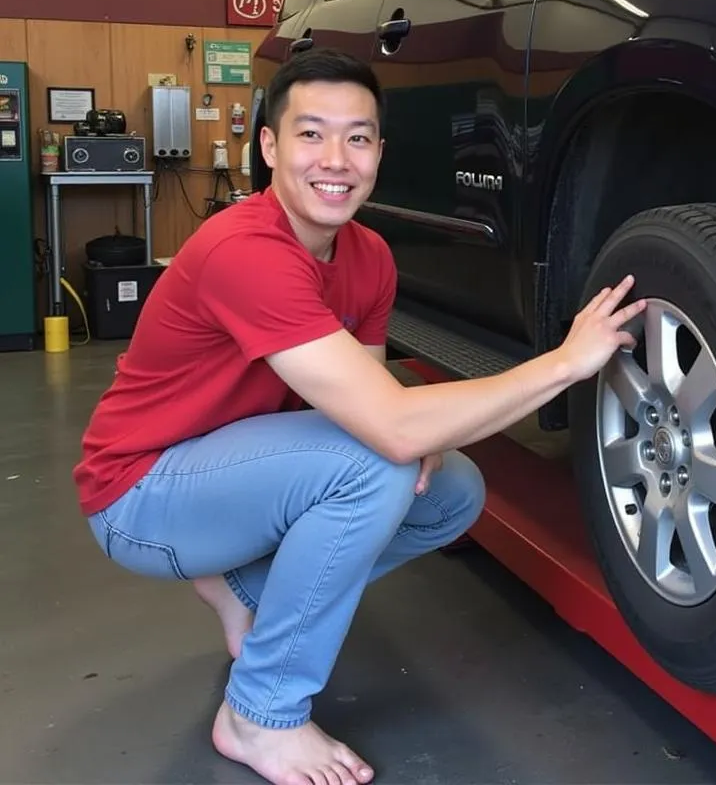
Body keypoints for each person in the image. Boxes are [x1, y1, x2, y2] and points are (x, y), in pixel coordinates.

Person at [73, 47, 645, 785]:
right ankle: (258, 715)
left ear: (380, 151)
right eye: (310, 134)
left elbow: (365, 396)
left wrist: (410, 436)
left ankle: (242, 592)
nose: (335, 159)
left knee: (453, 491)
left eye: (358, 136)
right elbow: (389, 428)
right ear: (270, 147)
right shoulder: (244, 250)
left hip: (235, 471)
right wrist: (565, 363)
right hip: (140, 495)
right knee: (378, 461)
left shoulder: (367, 253)